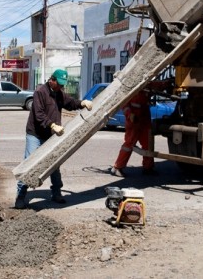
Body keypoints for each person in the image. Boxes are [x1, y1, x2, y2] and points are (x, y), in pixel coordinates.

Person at [14, 69, 93, 209]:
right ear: (52, 80)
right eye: (59, 84)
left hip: (51, 135)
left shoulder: (59, 93)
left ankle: (56, 193)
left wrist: (82, 103)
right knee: (29, 163)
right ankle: (20, 196)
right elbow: (38, 114)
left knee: (54, 164)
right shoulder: (40, 92)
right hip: (36, 134)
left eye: (63, 84)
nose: (61, 86)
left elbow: (70, 103)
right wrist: (52, 125)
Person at [110, 88, 156, 177]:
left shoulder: (146, 85)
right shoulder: (130, 87)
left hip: (144, 121)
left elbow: (154, 85)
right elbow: (124, 104)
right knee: (129, 144)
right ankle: (117, 168)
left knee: (148, 144)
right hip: (134, 121)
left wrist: (166, 83)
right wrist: (129, 114)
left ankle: (148, 167)